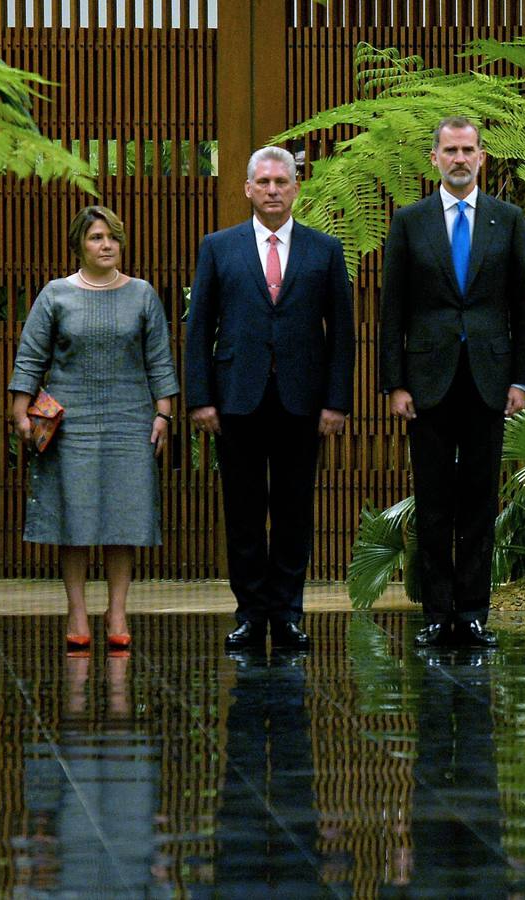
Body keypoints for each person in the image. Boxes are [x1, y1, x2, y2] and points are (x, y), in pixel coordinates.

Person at [185, 146, 355, 653]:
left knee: (293, 514)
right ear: (247, 189)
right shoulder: (219, 247)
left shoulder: (324, 250)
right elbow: (199, 331)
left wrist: (336, 402)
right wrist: (200, 398)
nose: (274, 189)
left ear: (297, 187)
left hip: (302, 402)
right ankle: (249, 614)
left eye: (283, 181)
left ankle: (287, 615)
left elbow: (342, 335)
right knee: (241, 513)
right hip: (236, 399)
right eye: (264, 182)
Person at [379, 115, 525, 650]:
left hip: (490, 380)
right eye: (450, 150)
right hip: (427, 382)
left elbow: (524, 304)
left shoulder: (507, 219)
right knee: (433, 501)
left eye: (469, 150)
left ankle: (472, 612)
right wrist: (395, 384)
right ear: (434, 159)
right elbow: (392, 308)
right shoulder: (409, 221)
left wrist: (522, 378)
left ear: (482, 157)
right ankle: (436, 611)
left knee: (477, 499)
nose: (460, 159)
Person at [8, 205, 179, 652]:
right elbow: (31, 356)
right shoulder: (55, 295)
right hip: (72, 422)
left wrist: (163, 413)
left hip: (130, 419)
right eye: (96, 238)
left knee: (125, 518)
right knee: (75, 518)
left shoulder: (142, 294)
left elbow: (159, 359)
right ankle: (78, 609)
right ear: (78, 244)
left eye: (113, 238)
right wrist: (20, 409)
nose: (106, 246)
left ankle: (118, 610)